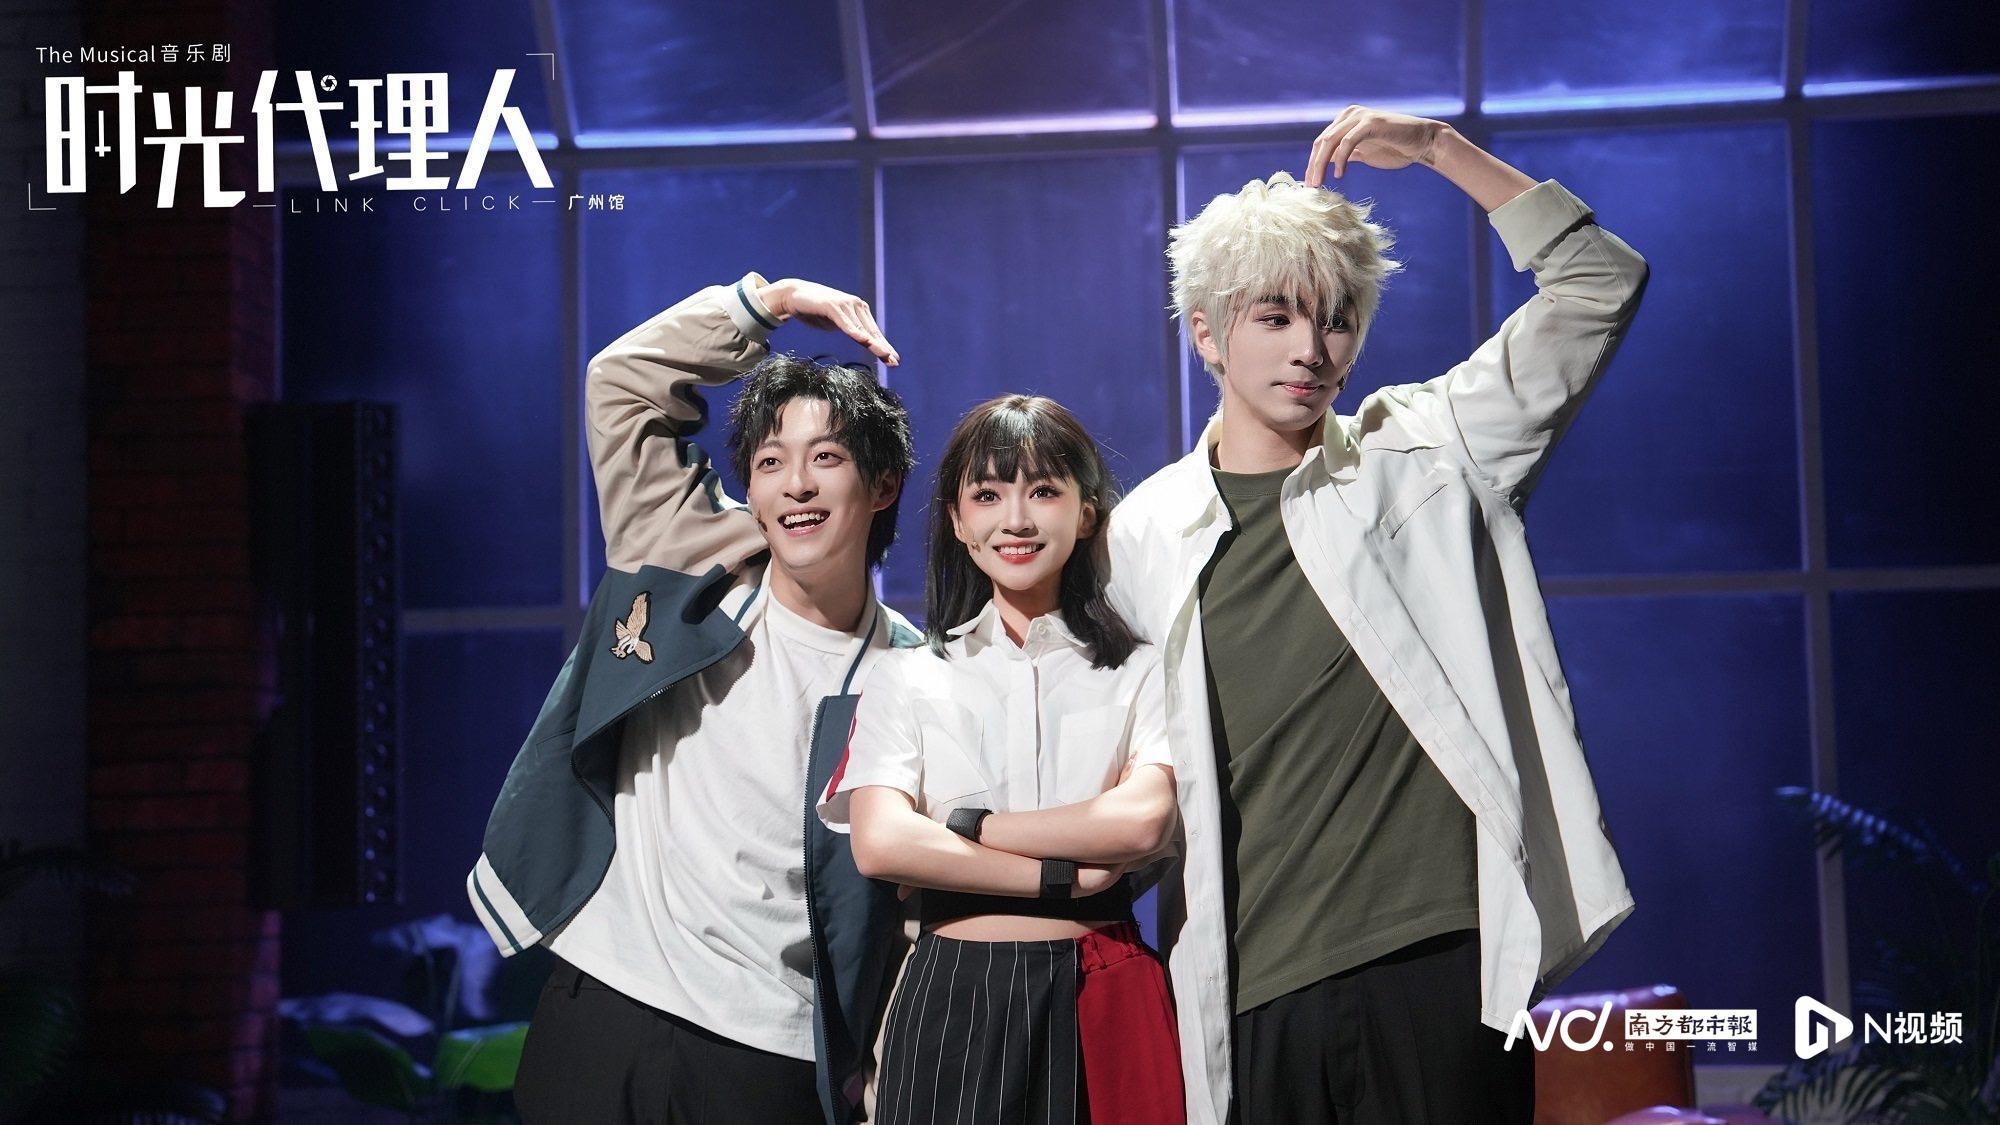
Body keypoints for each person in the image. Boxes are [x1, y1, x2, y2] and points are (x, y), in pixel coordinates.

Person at [1106, 106, 1650, 1124]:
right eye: (1275, 317)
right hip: (1249, 980)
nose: (1311, 349)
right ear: (1206, 334)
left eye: (1337, 318)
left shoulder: (1426, 449)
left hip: (1437, 959)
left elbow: (1598, 284)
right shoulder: (1141, 533)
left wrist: (1441, 150)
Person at [466, 273, 921, 1124]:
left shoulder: (913, 675)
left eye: (826, 458)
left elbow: (909, 905)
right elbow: (619, 381)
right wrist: (768, 301)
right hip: (603, 1006)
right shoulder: (684, 559)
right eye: (770, 462)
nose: (795, 484)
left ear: (883, 484)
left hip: (766, 1050)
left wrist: (881, 1069)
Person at [818, 395, 1187, 1125]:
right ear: (958, 521)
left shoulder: (1142, 670)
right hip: (951, 994)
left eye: (1043, 491)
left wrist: (971, 826)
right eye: (987, 495)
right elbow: (882, 842)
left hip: (1105, 987)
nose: (1015, 519)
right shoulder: (908, 675)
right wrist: (1062, 874)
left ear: (1087, 512)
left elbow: (1142, 822)